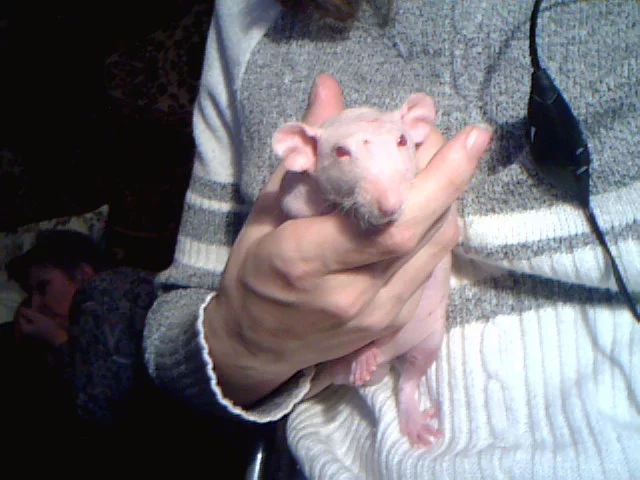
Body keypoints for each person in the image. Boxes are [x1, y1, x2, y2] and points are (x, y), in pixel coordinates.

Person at [143, 1, 640, 478]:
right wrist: (242, 344)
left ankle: (407, 388)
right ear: (302, 148)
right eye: (342, 155)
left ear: (416, 124)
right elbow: (176, 325)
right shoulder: (247, 16)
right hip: (330, 449)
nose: (387, 201)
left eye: (402, 141)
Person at [6, 229, 158, 441]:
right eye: (32, 294)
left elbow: (100, 409)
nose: (36, 304)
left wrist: (58, 339)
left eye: (43, 287)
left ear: (83, 274)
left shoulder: (105, 289)